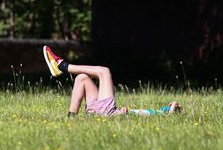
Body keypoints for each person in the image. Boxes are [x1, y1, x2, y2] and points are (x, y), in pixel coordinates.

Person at [43, 45, 183, 117]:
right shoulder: (158, 113)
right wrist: (171, 107)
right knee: (82, 78)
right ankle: (71, 118)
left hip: (109, 113)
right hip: (101, 113)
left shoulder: (160, 115)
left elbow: (168, 112)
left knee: (104, 71)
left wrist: (173, 108)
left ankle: (62, 66)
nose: (174, 105)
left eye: (173, 107)